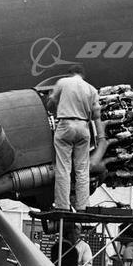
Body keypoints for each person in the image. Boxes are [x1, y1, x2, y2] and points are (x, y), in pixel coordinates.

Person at [47, 64, 104, 211]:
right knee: (82, 170)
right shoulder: (91, 89)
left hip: (65, 125)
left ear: (69, 73)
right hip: (83, 127)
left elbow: (51, 104)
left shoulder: (63, 82)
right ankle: (83, 206)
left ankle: (62, 206)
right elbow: (96, 114)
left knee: (63, 168)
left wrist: (57, 105)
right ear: (82, 75)